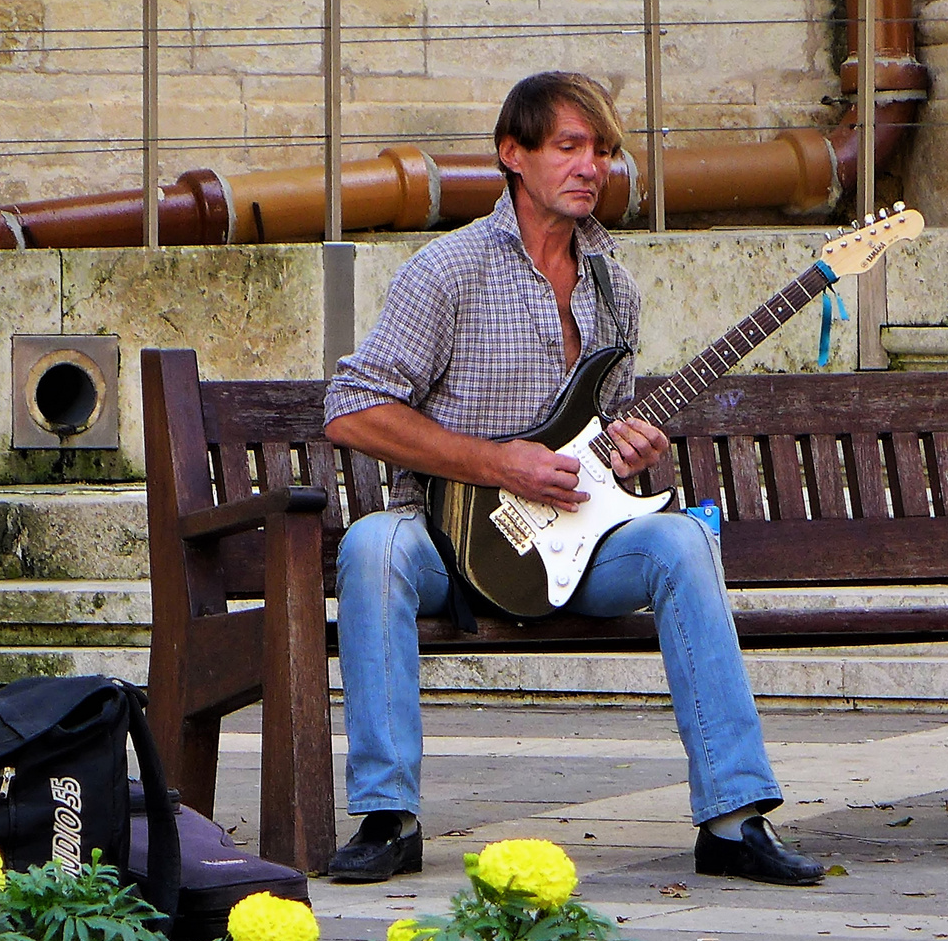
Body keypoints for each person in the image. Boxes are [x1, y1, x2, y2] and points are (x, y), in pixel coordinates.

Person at [321, 71, 825, 887]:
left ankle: (733, 820)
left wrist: (631, 452)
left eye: (603, 150)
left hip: (573, 542)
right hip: (445, 543)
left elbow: (603, 424)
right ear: (512, 156)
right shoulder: (445, 272)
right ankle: (389, 817)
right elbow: (351, 409)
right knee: (372, 545)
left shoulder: (611, 284)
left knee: (682, 540)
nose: (591, 166)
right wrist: (496, 460)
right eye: (570, 147)